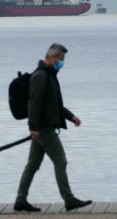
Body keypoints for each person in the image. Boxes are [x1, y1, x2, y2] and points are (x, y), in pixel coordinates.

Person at [14, 43, 93, 212]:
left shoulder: (50, 75)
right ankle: (69, 199)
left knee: (32, 165)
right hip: (43, 129)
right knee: (61, 161)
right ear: (50, 57)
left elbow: (55, 104)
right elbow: (34, 103)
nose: (61, 64)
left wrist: (71, 117)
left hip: (42, 128)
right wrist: (33, 128)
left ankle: (20, 200)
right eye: (60, 60)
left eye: (63, 61)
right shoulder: (41, 76)